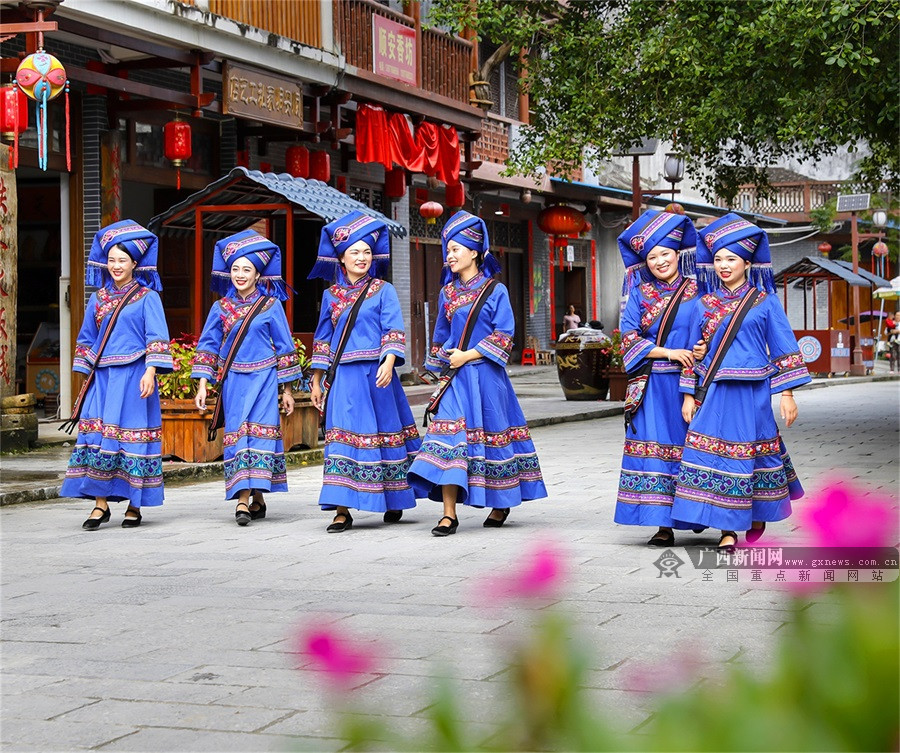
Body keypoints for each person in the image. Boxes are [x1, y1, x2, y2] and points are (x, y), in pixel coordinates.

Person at [672, 213, 811, 551]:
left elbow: (783, 347)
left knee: (755, 456)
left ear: (747, 262)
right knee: (714, 457)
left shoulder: (765, 302)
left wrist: (787, 394)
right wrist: (689, 394)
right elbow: (693, 351)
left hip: (754, 393)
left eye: (730, 259)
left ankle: (756, 513)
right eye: (718, 259)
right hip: (716, 391)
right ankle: (727, 529)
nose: (723, 265)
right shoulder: (702, 304)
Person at [408, 210, 548, 535]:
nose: (450, 256)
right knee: (448, 439)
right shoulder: (447, 294)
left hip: (487, 377)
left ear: (474, 252)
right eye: (448, 250)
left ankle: (501, 502)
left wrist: (467, 354)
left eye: (456, 249)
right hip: (456, 381)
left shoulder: (495, 290)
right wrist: (442, 360)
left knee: (493, 437)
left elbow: (504, 334)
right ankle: (448, 513)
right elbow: (440, 337)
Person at [308, 211, 421, 532]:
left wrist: (388, 361)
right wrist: (316, 380)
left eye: (367, 252)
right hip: (343, 377)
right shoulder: (331, 296)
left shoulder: (383, 290)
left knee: (385, 435)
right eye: (354, 252)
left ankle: (395, 499)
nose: (361, 258)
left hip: (378, 376)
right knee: (342, 438)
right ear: (341, 258)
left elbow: (393, 328)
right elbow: (323, 338)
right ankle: (342, 509)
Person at [61, 220, 173, 529]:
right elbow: (86, 339)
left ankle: (134, 506)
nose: (115, 266)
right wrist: (85, 379)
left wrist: (151, 371)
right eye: (111, 260)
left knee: (134, 438)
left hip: (136, 376)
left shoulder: (148, 298)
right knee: (97, 436)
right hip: (103, 379)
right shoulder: (97, 299)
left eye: (122, 260)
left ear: (135, 263)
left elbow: (157, 338)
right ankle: (100, 505)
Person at [192, 230, 301, 525]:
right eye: (236, 269)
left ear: (257, 275)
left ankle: (258, 496)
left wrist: (287, 390)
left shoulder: (270, 306)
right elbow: (208, 346)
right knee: (239, 437)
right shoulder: (220, 308)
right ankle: (243, 499)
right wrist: (203, 384)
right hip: (234, 382)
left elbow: (285, 348)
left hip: (265, 379)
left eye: (247, 270)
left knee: (261, 436)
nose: (240, 275)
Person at [612, 209, 706, 546]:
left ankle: (696, 513)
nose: (659, 261)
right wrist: (668, 352)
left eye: (665, 253)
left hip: (691, 382)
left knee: (690, 449)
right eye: (652, 257)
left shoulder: (698, 290)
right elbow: (629, 338)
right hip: (652, 384)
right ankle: (662, 524)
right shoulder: (639, 293)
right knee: (655, 450)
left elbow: (707, 336)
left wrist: (695, 360)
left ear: (677, 253)